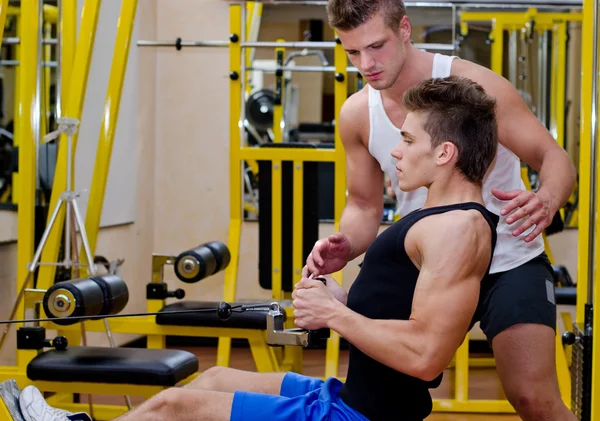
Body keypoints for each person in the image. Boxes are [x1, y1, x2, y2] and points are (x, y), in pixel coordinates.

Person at [20, 76, 500, 421]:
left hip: (363, 415)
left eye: (407, 139)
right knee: (213, 378)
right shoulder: (435, 217)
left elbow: (426, 355)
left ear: (444, 153)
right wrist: (340, 300)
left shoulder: (458, 228)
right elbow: (407, 313)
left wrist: (336, 318)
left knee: (174, 408)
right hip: (353, 396)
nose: (395, 150)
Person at [302, 2, 577, 421]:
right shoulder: (357, 113)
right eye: (353, 53)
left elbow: (553, 157)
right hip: (430, 266)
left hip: (508, 259)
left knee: (532, 398)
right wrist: (347, 245)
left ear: (405, 29)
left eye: (376, 46)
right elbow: (362, 203)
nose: (367, 64)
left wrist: (547, 198)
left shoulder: (473, 86)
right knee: (382, 398)